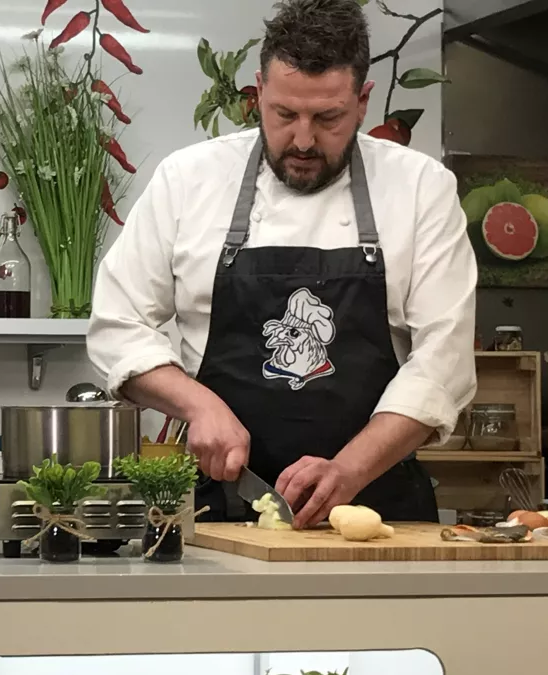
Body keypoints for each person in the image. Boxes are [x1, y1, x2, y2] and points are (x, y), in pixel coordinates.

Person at [87, 0, 476, 528]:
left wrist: (349, 470)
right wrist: (198, 405)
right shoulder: (189, 179)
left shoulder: (420, 189)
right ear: (259, 92)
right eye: (284, 114)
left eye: (328, 118)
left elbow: (443, 361)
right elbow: (118, 326)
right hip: (220, 510)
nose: (303, 140)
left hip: (376, 512)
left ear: (362, 102)